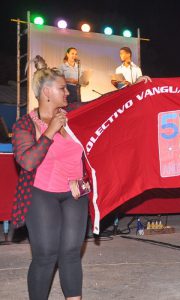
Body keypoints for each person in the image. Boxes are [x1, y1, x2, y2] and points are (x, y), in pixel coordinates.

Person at [12, 55, 88, 300]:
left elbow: (106, 104)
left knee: (71, 253)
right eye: (63, 88)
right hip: (41, 194)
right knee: (46, 255)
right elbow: (27, 161)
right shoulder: (25, 124)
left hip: (76, 192)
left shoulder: (74, 115)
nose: (68, 93)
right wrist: (50, 131)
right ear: (46, 91)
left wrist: (136, 87)